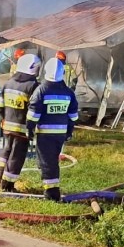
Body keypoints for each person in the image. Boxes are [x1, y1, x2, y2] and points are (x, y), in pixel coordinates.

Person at [27, 58, 79, 201]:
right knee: (51, 161)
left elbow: (33, 113)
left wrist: (29, 128)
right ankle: (52, 187)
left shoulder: (42, 90)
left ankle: (51, 193)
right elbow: (73, 116)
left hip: (45, 133)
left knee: (46, 162)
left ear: (46, 71)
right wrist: (69, 131)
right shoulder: (68, 92)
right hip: (60, 134)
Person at [0, 54, 41, 191]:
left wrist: (3, 119)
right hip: (23, 129)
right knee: (17, 156)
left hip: (7, 126)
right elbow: (35, 108)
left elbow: (0, 105)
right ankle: (7, 186)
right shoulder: (33, 86)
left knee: (7, 149)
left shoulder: (8, 83)